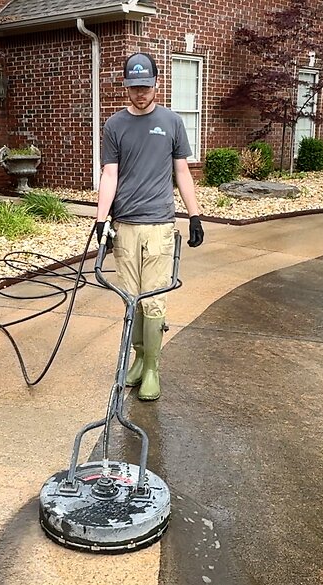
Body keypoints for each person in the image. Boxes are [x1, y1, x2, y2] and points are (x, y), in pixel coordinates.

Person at [93, 51, 205, 402]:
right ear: (126, 86)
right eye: (133, 87)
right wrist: (101, 218)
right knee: (131, 300)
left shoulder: (171, 122)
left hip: (159, 225)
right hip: (125, 226)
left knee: (153, 300)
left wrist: (195, 215)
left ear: (157, 84)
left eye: (145, 86)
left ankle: (153, 368)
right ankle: (139, 360)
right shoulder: (114, 126)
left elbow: (182, 171)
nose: (140, 93)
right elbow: (109, 175)